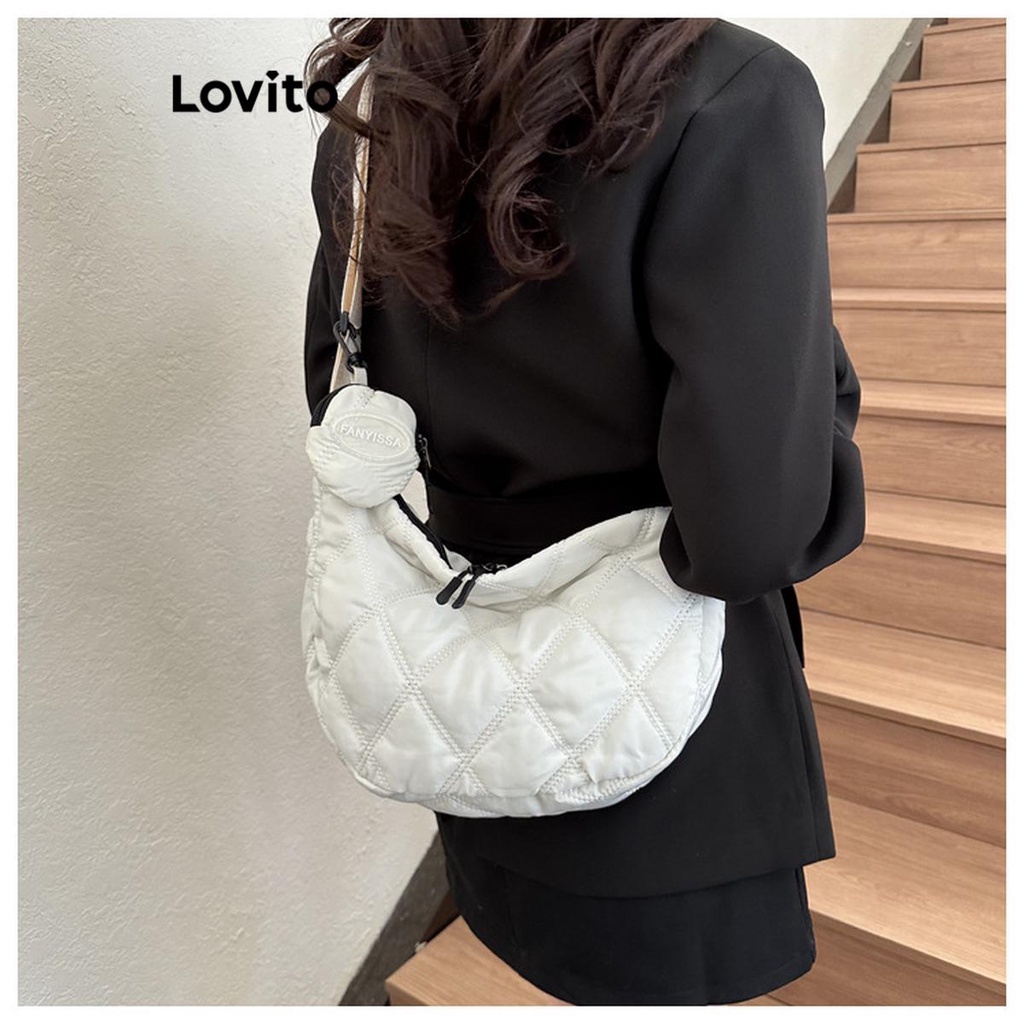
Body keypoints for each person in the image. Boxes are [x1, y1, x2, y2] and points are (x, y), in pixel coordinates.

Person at [302, 17, 865, 1006]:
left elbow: (339, 395)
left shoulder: (387, 105)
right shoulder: (732, 90)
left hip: (470, 692)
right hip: (664, 721)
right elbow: (751, 529)